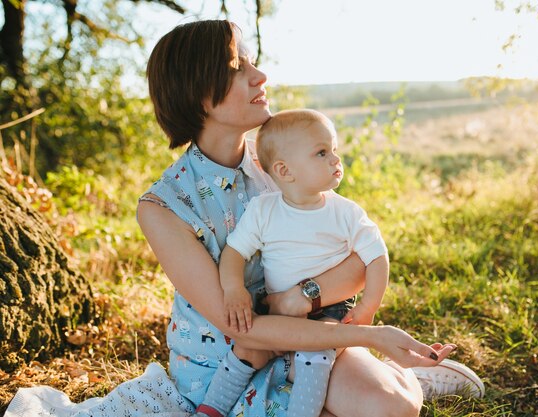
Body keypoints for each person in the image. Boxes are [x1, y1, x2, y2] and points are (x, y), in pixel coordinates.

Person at [4, 18, 483, 417]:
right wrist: (371, 335)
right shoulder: (163, 206)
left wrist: (304, 295)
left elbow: (356, 254)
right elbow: (241, 327)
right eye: (239, 67)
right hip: (226, 367)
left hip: (309, 339)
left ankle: (409, 378)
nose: (260, 76)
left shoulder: (281, 162)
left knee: (392, 405)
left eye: (252, 62)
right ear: (199, 93)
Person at [208, 108, 390, 417]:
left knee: (315, 354)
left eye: (334, 150)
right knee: (246, 350)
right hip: (278, 311)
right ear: (284, 170)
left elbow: (377, 256)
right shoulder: (263, 210)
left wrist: (369, 306)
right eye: (321, 153)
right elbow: (234, 252)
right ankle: (208, 410)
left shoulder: (345, 213)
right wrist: (233, 288)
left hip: (329, 312)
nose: (335, 159)